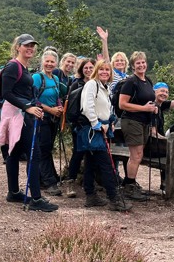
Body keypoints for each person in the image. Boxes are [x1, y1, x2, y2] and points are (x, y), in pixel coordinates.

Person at [0, 34, 58, 212]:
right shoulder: (13, 66)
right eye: (26, 46)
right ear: (18, 47)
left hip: (22, 113)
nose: (30, 48)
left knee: (14, 153)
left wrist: (34, 105)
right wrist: (28, 107)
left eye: (32, 46)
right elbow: (6, 93)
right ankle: (36, 199)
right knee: (34, 154)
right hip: (18, 115)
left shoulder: (23, 67)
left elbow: (23, 92)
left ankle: (14, 192)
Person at [79, 59, 131, 212]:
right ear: (96, 70)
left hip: (100, 129)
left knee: (91, 163)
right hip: (93, 130)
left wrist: (111, 121)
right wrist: (96, 124)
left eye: (107, 70)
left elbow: (106, 108)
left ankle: (90, 195)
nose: (104, 72)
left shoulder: (104, 87)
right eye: (101, 69)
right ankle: (114, 199)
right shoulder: (92, 85)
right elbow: (87, 107)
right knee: (107, 165)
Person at [118, 51, 157, 200]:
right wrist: (144, 108)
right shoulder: (130, 82)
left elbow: (148, 101)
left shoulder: (148, 81)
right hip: (131, 120)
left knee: (137, 155)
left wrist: (153, 108)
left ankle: (130, 183)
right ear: (133, 66)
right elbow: (122, 104)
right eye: (138, 63)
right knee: (136, 155)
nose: (141, 65)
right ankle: (129, 187)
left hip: (143, 122)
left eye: (143, 62)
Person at [33, 50, 67, 195]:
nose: (49, 64)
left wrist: (59, 107)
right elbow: (33, 99)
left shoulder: (55, 79)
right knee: (44, 150)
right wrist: (50, 110)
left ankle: (42, 179)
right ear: (42, 62)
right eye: (47, 61)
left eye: (52, 62)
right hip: (41, 118)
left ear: (56, 64)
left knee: (47, 148)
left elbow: (57, 96)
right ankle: (49, 182)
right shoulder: (37, 77)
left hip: (52, 119)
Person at [61, 58, 96, 197]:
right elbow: (71, 105)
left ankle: (90, 185)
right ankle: (70, 182)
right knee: (78, 153)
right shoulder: (76, 84)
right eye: (85, 68)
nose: (88, 70)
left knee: (92, 154)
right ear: (81, 70)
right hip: (80, 125)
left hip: (95, 125)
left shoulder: (99, 83)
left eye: (91, 67)